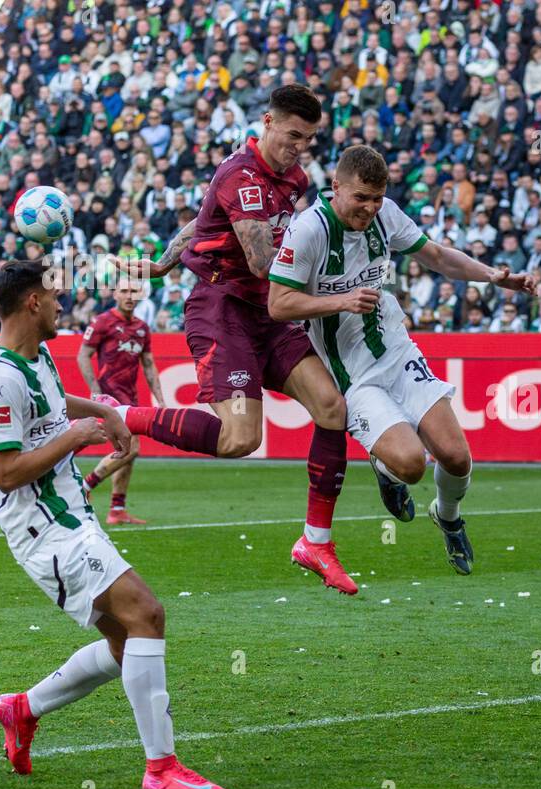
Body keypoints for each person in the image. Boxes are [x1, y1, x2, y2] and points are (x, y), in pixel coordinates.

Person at [0, 260, 223, 789]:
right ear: (32, 303)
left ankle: (23, 709)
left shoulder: (35, 355)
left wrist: (103, 412)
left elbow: (52, 404)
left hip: (70, 513)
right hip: (44, 527)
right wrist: (77, 436)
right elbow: (6, 471)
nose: (63, 303)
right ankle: (161, 769)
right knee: (147, 614)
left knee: (125, 644)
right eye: (54, 295)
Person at [112, 85, 365, 596]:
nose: (299, 147)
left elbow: (203, 216)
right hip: (222, 307)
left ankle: (316, 542)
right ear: (267, 122)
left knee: (332, 407)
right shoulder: (241, 175)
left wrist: (163, 262)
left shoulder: (294, 178)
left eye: (309, 139)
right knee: (240, 440)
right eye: (293, 135)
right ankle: (120, 414)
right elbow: (261, 262)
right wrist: (333, 290)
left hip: (269, 313)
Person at [267, 145, 540, 574]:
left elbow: (434, 255)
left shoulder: (385, 214)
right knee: (412, 464)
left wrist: (491, 275)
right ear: (336, 187)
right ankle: (386, 468)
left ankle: (448, 518)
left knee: (456, 456)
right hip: (353, 374)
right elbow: (278, 304)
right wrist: (341, 300)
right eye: (361, 198)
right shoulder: (309, 232)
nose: (370, 208)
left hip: (396, 349)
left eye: (377, 198)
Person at [77, 282, 164, 525]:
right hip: (109, 399)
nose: (129, 296)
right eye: (124, 291)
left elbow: (148, 365)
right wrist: (94, 390)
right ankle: (85, 485)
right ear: (115, 294)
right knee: (131, 448)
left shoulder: (142, 328)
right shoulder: (103, 321)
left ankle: (117, 508)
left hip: (130, 398)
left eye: (133, 292)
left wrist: (160, 397)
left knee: (128, 452)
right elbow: (83, 354)